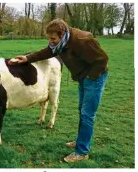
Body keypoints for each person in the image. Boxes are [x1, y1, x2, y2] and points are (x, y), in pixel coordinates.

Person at [11, 19, 108, 163]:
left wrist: (89, 77)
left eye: (53, 38)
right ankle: (81, 141)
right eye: (49, 38)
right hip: (84, 77)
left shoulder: (82, 40)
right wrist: (27, 58)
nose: (51, 41)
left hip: (94, 77)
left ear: (63, 34)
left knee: (87, 114)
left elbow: (103, 59)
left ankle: (82, 152)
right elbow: (47, 51)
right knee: (82, 110)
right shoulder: (61, 43)